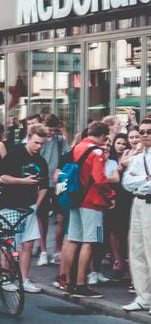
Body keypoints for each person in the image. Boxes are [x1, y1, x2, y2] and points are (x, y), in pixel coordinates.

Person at [57, 121, 116, 299]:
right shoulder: (96, 152)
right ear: (104, 135)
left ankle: (67, 281)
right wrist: (111, 195)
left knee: (74, 239)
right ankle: (82, 283)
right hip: (91, 201)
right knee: (90, 242)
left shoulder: (78, 147)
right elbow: (99, 179)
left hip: (75, 198)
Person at [0, 123, 49, 295]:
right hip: (9, 204)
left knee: (28, 244)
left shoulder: (41, 161)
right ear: (29, 138)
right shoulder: (15, 154)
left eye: (42, 144)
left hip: (29, 207)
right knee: (9, 243)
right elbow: (2, 178)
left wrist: (37, 205)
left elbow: (44, 186)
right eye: (36, 143)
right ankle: (5, 277)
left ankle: (24, 279)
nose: (38, 147)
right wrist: (23, 181)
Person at [121, 120, 151, 312]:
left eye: (149, 131)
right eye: (142, 132)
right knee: (137, 250)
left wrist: (140, 181)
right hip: (138, 202)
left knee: (150, 249)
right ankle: (144, 297)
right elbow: (126, 182)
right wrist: (145, 179)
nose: (145, 135)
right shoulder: (139, 157)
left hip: (149, 202)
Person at [37, 114, 70, 266]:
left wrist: (60, 171)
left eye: (54, 130)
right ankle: (43, 251)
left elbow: (67, 156)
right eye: (49, 129)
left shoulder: (60, 140)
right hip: (42, 182)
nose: (51, 133)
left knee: (61, 217)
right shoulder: (39, 139)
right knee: (42, 217)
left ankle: (57, 251)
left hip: (58, 182)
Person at [107, 131, 133, 281]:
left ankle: (125, 259)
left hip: (125, 196)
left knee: (125, 229)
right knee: (114, 229)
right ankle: (117, 259)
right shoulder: (109, 159)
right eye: (119, 143)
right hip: (112, 196)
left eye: (124, 144)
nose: (121, 146)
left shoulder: (129, 157)